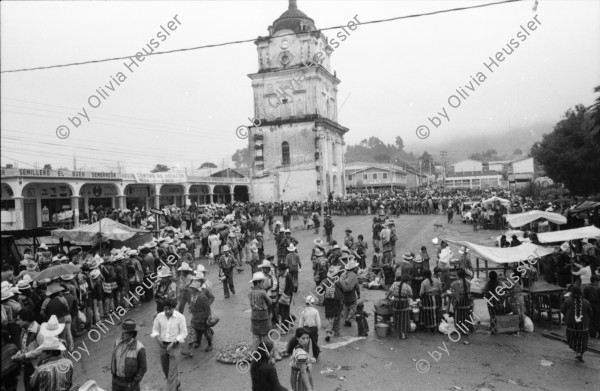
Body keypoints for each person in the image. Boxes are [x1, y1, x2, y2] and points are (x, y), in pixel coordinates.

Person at [151, 298, 187, 391]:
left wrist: (174, 341)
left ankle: (171, 387)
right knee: (166, 370)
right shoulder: (159, 316)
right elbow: (155, 329)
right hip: (163, 346)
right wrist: (157, 337)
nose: (167, 311)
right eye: (165, 309)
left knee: (172, 373)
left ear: (174, 308)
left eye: (169, 309)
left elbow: (184, 333)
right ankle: (176, 382)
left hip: (175, 347)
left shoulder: (180, 317)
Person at [180, 275, 214, 356]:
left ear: (195, 289)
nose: (190, 289)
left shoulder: (202, 297)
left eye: (192, 288)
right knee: (192, 332)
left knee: (205, 333)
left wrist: (206, 318)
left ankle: (210, 345)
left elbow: (207, 309)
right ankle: (190, 351)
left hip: (202, 319)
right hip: (195, 318)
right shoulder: (193, 296)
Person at [110, 319, 147, 391]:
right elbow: (114, 360)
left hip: (130, 385)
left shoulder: (139, 348)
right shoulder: (117, 342)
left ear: (131, 334)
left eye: (124, 333)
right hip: (116, 382)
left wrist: (133, 383)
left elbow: (143, 368)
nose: (121, 334)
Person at [561, 286, 593, 362]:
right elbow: (590, 313)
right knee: (582, 340)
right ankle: (580, 353)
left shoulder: (567, 301)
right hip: (583, 325)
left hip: (571, 325)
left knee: (572, 339)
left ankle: (577, 352)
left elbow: (562, 310)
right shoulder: (586, 302)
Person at [249, 272, 272, 347]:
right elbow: (270, 302)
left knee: (256, 337)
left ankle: (256, 355)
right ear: (258, 283)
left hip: (254, 317)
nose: (264, 284)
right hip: (263, 318)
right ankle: (268, 354)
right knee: (266, 337)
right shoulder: (263, 292)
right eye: (262, 282)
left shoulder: (250, 292)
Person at [320, 266, 343, 342]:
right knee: (337, 316)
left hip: (328, 302)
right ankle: (337, 332)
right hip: (336, 301)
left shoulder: (325, 281)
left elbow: (320, 290)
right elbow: (344, 288)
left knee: (328, 317)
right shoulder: (338, 281)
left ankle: (328, 332)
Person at [387, 274, 412, 339]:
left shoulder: (395, 284)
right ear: (408, 281)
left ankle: (398, 333)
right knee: (404, 319)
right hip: (404, 305)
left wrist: (388, 297)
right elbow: (410, 295)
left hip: (396, 303)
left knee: (397, 318)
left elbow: (389, 292)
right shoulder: (408, 287)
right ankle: (403, 334)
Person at [450, 268, 474, 335]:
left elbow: (453, 292)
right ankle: (466, 329)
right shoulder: (469, 282)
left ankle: (459, 329)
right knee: (466, 316)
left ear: (458, 275)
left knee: (458, 316)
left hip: (459, 302)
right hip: (467, 301)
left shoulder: (454, 283)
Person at [298, 296, 321, 360]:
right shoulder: (315, 311)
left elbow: (301, 322)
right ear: (313, 303)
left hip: (305, 328)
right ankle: (315, 356)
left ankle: (305, 355)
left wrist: (300, 330)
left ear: (306, 303)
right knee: (314, 343)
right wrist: (318, 328)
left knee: (305, 343)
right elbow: (318, 322)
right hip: (313, 328)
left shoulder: (303, 311)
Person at [339, 259, 360, 328]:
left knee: (345, 308)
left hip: (344, 297)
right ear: (353, 269)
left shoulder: (343, 275)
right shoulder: (354, 276)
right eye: (356, 268)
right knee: (353, 308)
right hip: (352, 297)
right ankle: (349, 319)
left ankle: (345, 318)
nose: (357, 269)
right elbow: (357, 287)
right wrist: (358, 294)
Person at [277, 263, 294, 335]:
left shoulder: (288, 276)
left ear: (284, 270)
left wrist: (286, 295)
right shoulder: (279, 276)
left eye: (280, 271)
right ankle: (291, 318)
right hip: (280, 295)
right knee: (280, 312)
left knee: (285, 313)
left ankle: (285, 329)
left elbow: (291, 287)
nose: (279, 272)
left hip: (286, 296)